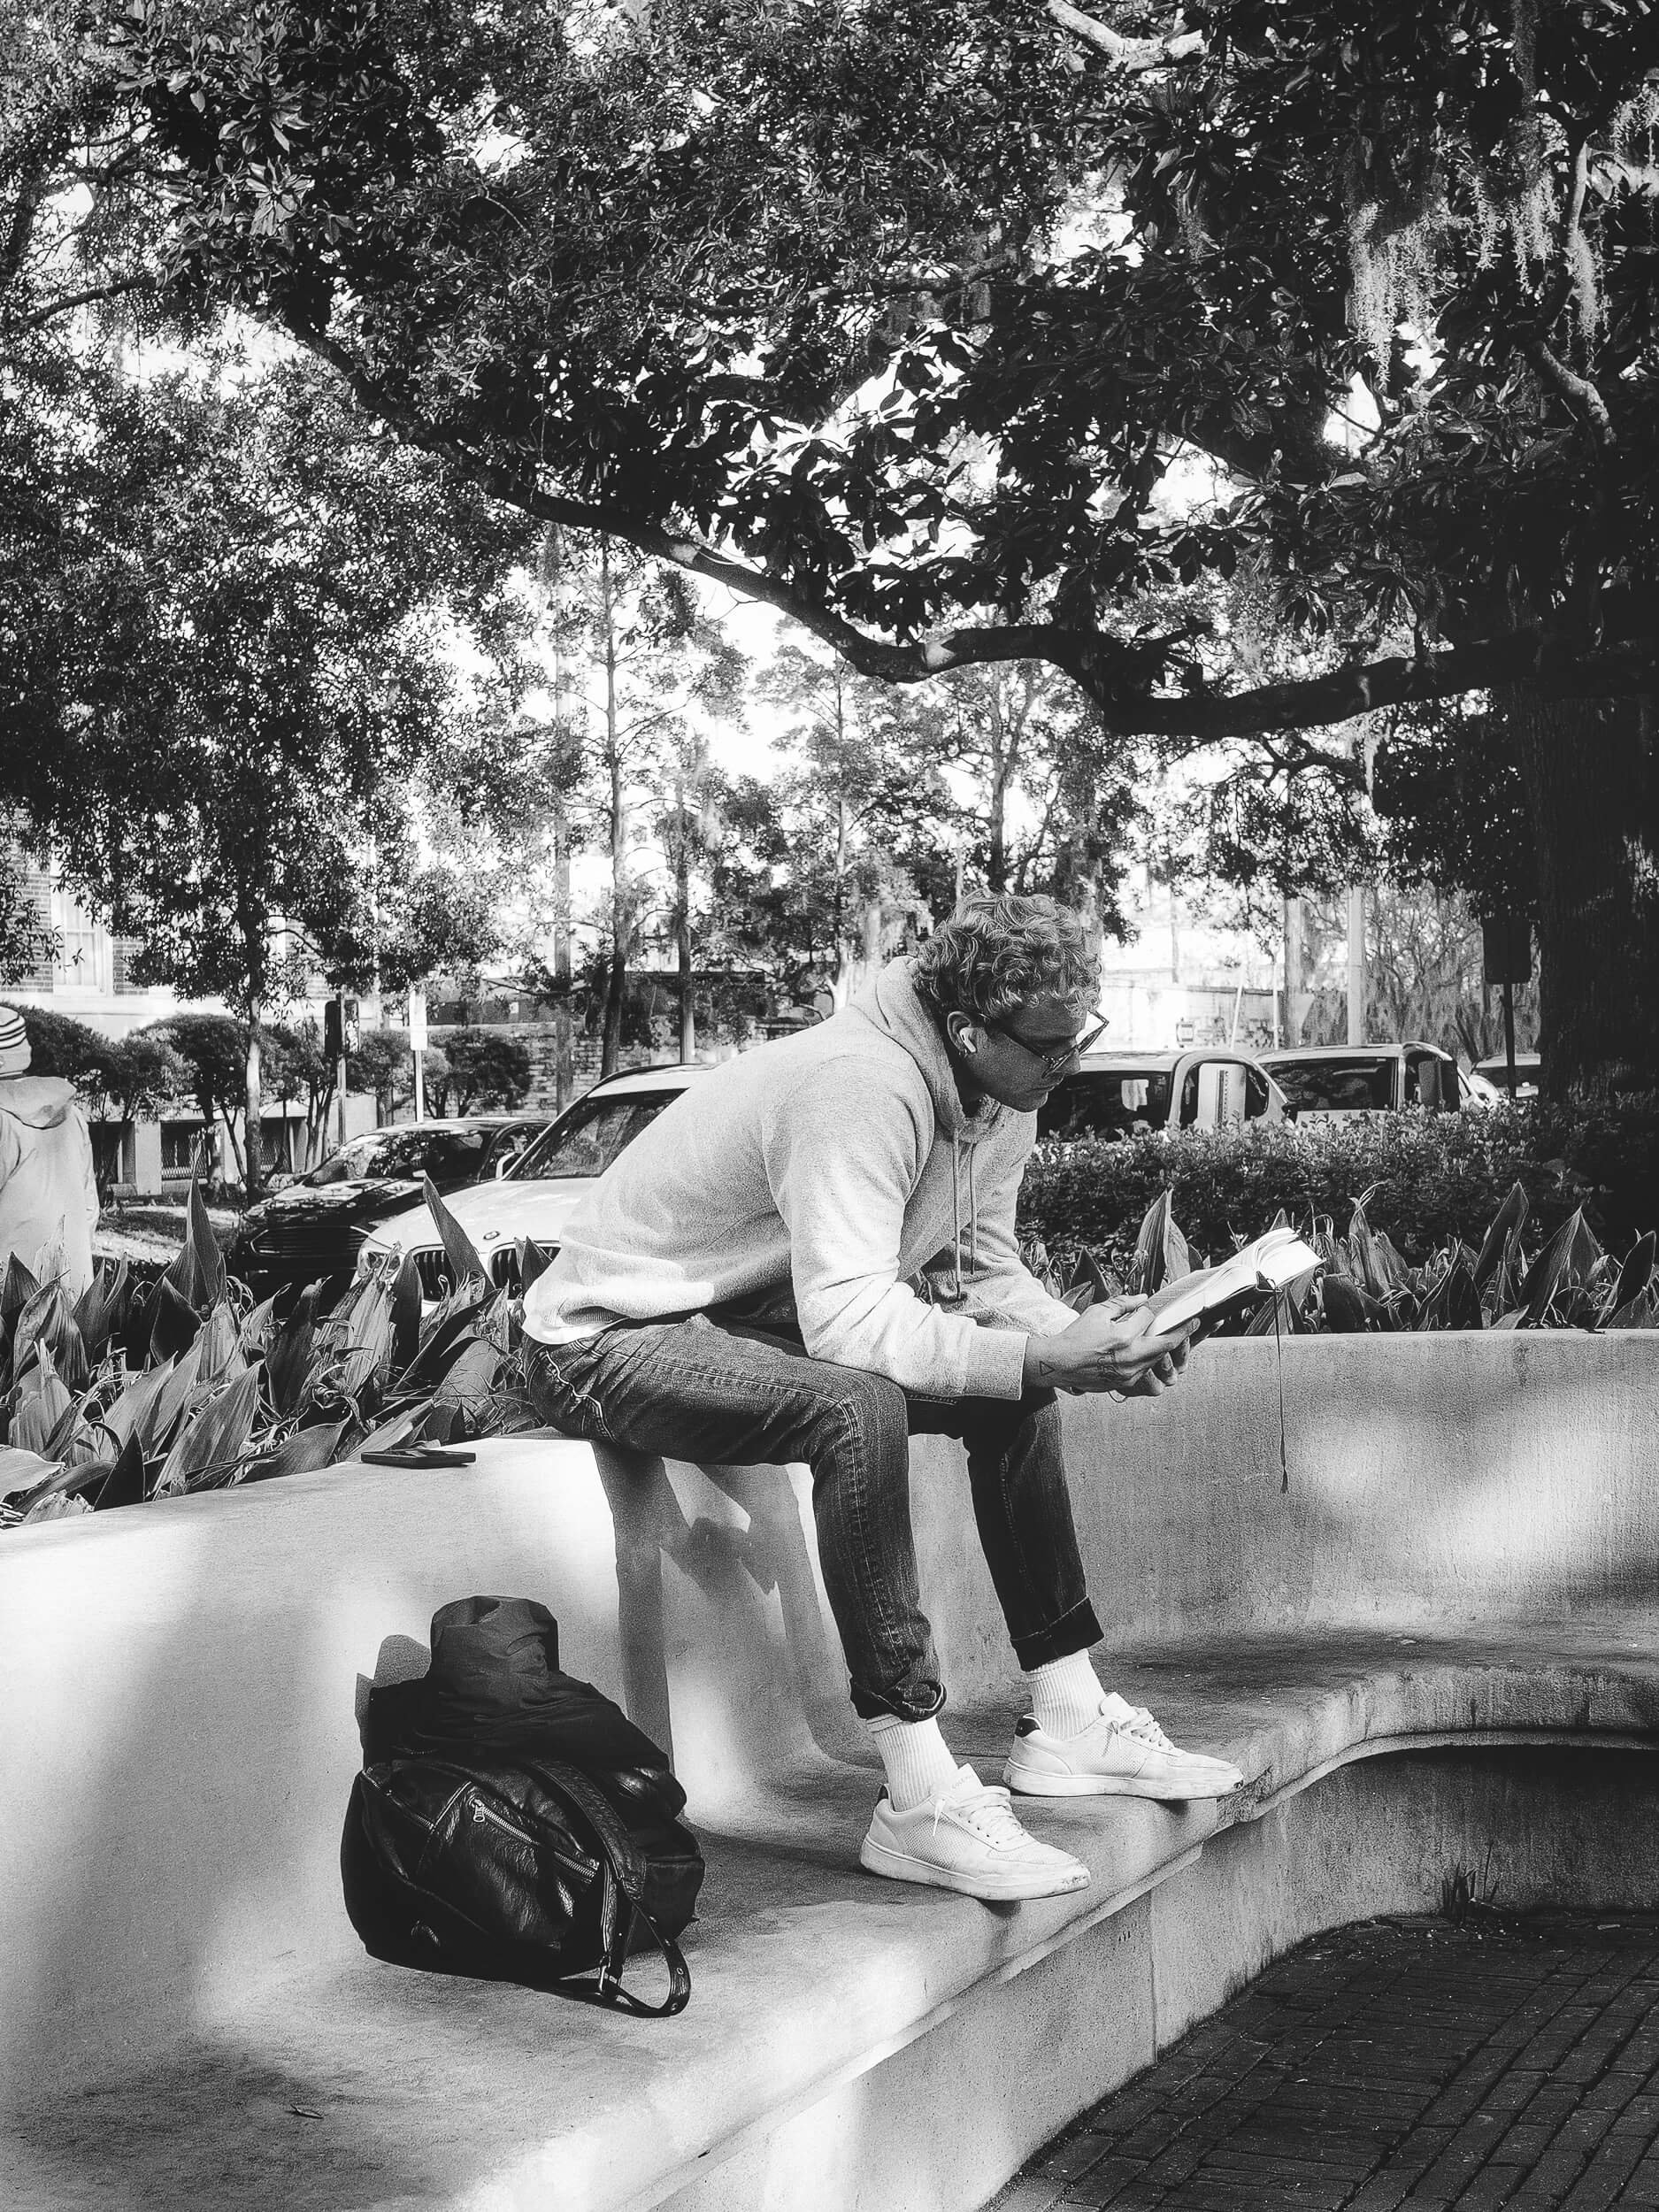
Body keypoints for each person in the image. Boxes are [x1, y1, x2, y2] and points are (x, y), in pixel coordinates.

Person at [523, 895, 1243, 1902]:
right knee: (858, 1409)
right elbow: (851, 1323)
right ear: (968, 1031)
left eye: (1078, 1036)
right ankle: (914, 1792)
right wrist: (1046, 1357)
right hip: (608, 1337)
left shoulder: (1001, 1096)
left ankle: (1070, 1713)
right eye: (1049, 1048)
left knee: (1009, 1391)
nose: (1067, 1066)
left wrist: (1096, 1345)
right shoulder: (859, 1085)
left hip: (744, 1323)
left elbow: (982, 1268)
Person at [0, 1005, 98, 1300]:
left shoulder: (3, 1121)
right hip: (74, 1294)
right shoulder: (72, 1115)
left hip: (12, 1303)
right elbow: (90, 1208)